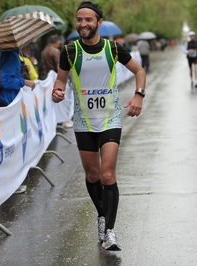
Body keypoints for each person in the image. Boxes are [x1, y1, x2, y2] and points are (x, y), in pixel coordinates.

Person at [52, 0, 146, 251]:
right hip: (83, 122)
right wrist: (57, 92)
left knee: (107, 175)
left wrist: (139, 95)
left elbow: (139, 71)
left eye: (88, 20)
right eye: (79, 19)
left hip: (110, 119)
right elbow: (60, 82)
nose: (83, 24)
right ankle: (102, 215)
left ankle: (111, 233)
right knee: (93, 176)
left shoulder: (114, 49)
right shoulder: (70, 51)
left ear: (99, 23)